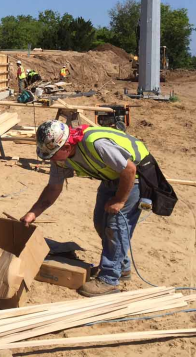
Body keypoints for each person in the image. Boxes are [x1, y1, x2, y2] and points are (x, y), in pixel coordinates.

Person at [21, 120, 151, 297]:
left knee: (115, 227)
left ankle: (109, 279)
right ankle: (120, 266)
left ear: (67, 147)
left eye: (52, 154)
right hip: (111, 176)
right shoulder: (59, 157)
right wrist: (32, 213)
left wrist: (120, 200)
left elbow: (129, 170)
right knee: (100, 222)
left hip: (135, 177)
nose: (50, 159)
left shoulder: (96, 145)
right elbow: (53, 189)